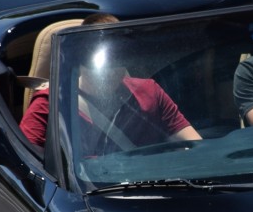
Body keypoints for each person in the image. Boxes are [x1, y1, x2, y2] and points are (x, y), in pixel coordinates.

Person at [20, 13, 202, 148]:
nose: (110, 73)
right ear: (78, 61)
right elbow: (28, 167)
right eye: (98, 63)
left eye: (118, 61)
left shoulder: (150, 92)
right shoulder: (51, 105)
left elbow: (196, 146)